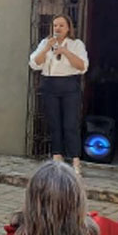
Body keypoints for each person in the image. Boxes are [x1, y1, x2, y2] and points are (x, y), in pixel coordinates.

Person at [29, 14, 89, 175]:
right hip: (49, 84)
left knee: (70, 124)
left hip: (69, 85)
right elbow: (34, 64)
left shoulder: (76, 44)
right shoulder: (45, 43)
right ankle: (57, 158)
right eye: (55, 25)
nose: (57, 28)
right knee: (54, 124)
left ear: (68, 27)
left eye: (61, 25)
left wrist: (65, 52)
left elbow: (83, 66)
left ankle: (75, 160)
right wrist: (46, 48)